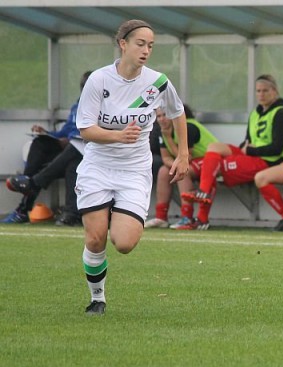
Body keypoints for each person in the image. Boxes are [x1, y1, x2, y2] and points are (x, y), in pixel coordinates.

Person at [75, 19, 189, 315]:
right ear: (123, 44)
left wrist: (183, 154)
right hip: (98, 166)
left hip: (134, 170)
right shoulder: (98, 80)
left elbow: (178, 113)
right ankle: (97, 298)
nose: (146, 50)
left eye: (150, 45)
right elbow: (86, 129)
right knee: (96, 237)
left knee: (124, 243)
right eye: (140, 43)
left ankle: (117, 211)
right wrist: (116, 136)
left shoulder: (157, 81)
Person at [181, 74, 283, 230]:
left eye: (265, 91)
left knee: (215, 167)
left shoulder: (282, 113)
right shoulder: (256, 113)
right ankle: (204, 192)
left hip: (267, 161)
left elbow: (277, 148)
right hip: (251, 155)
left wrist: (250, 149)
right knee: (214, 148)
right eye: (258, 91)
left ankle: (202, 218)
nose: (260, 94)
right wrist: (245, 148)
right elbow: (247, 140)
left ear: (274, 91)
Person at [2, 71, 92, 224]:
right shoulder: (76, 106)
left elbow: (90, 133)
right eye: (83, 87)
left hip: (85, 151)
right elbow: (65, 131)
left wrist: (68, 139)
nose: (85, 90)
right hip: (70, 147)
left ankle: (32, 186)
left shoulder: (102, 107)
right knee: (39, 143)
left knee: (73, 158)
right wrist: (47, 133)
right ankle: (27, 186)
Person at [145, 105, 218, 229]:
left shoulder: (187, 127)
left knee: (182, 170)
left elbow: (185, 158)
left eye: (165, 115)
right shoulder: (164, 130)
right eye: (159, 116)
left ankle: (187, 217)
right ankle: (161, 216)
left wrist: (168, 138)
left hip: (211, 161)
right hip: (193, 163)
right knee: (164, 171)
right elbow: (166, 158)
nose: (162, 119)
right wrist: (174, 166)